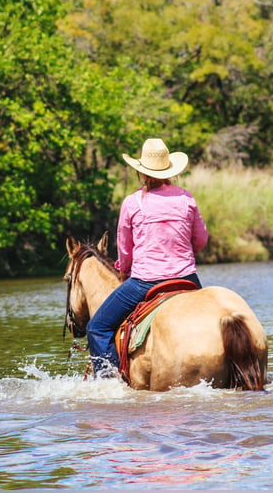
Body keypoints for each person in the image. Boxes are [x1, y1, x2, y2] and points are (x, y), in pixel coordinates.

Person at [86, 137, 209, 376]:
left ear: (141, 173)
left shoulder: (133, 203)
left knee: (97, 328)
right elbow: (201, 241)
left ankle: (109, 384)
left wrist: (124, 271)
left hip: (145, 282)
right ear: (170, 170)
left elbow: (125, 251)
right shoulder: (186, 199)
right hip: (187, 279)